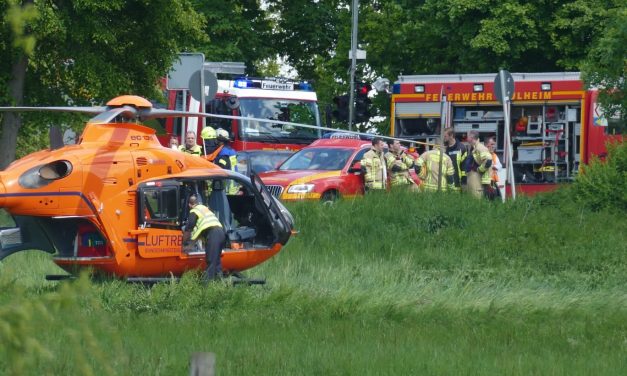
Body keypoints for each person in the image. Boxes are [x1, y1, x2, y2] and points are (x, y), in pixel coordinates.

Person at [182, 195, 225, 281]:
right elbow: (198, 232)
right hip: (221, 233)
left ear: (189, 205)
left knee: (210, 261)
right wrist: (190, 246)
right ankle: (219, 284)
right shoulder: (205, 209)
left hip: (213, 234)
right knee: (216, 262)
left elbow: (189, 229)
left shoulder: (194, 211)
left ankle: (205, 287)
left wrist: (182, 243)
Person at [465, 130, 493, 199]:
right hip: (473, 178)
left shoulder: (480, 147)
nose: (466, 138)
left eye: (467, 136)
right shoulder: (474, 147)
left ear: (471, 137)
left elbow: (488, 161)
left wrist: (479, 169)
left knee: (477, 199)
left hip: (477, 179)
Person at [215, 128, 239, 194]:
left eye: (216, 140)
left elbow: (222, 169)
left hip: (227, 187)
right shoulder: (231, 151)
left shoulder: (223, 153)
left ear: (220, 141)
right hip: (234, 184)